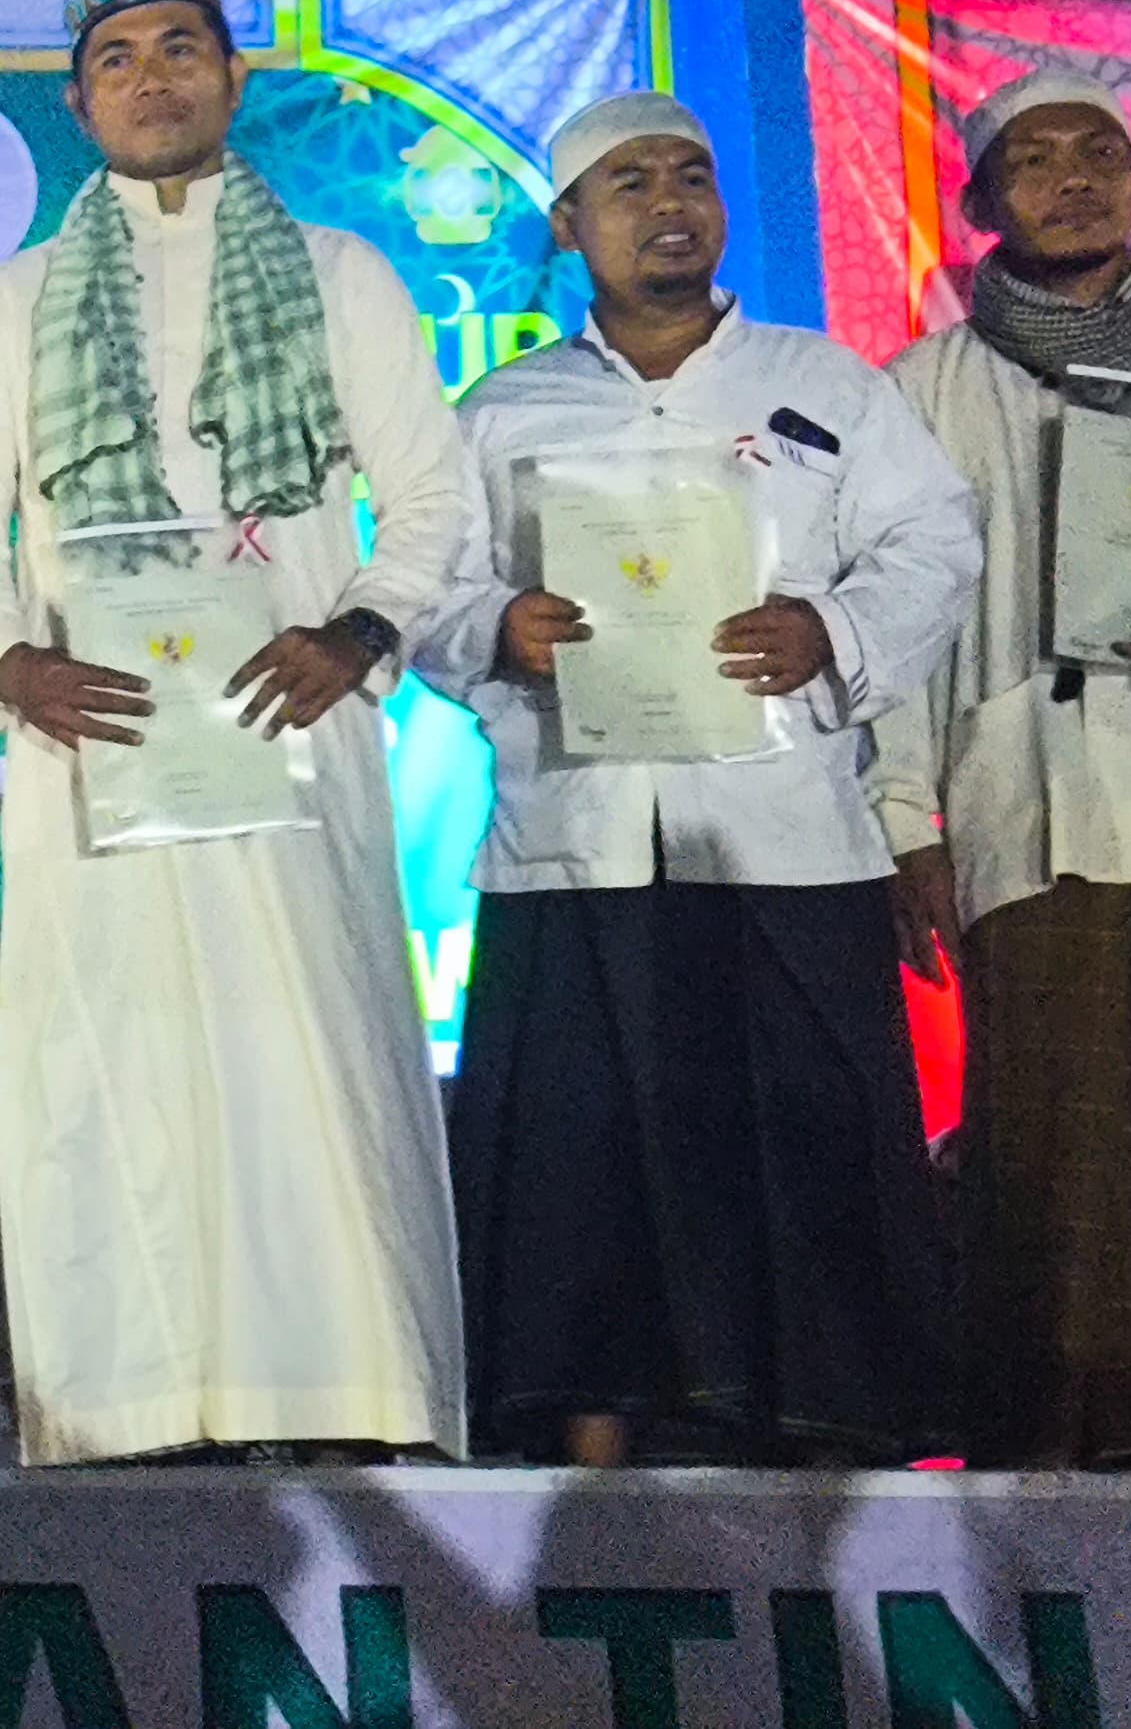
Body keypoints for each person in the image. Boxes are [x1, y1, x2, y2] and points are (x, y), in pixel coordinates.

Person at [0, 0, 478, 1465]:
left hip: (291, 719)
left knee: (312, 1040)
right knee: (118, 1053)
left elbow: (429, 496)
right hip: (88, 742)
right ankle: (127, 1406)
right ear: (79, 99)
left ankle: (353, 1394)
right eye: (119, 58)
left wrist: (359, 628)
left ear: (234, 78)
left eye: (181, 49)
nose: (152, 78)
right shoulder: (11, 301)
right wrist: (7, 662)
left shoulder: (344, 274)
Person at [415, 92, 978, 1465]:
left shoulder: (828, 381)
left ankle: (819, 1440)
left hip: (783, 841)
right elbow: (420, 586)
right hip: (577, 846)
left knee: (800, 1160)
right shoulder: (502, 407)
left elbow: (935, 546)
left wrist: (827, 632)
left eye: (691, 175)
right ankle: (592, 1452)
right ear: (567, 225)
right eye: (627, 183)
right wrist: (498, 627)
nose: (669, 203)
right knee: (577, 1167)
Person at [868, 72, 1131, 1468]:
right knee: (1062, 1164)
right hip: (1032, 810)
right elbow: (899, 623)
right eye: (1035, 157)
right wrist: (906, 820)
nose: (1072, 177)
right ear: (980, 201)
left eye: (1100, 153)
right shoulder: (927, 386)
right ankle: (1075, 1482)